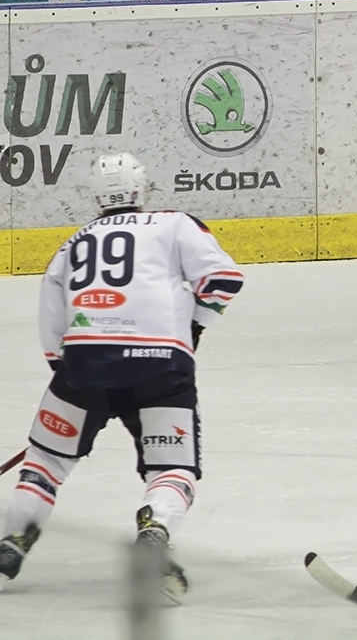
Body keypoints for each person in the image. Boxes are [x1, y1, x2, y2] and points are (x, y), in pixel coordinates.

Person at [0, 153, 244, 600]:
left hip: (83, 365)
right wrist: (193, 329)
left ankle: (13, 542)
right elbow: (223, 279)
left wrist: (70, 378)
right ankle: (154, 530)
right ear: (141, 188)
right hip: (161, 366)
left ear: (95, 195)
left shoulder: (74, 243)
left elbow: (52, 323)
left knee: (47, 460)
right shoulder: (175, 224)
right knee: (171, 468)